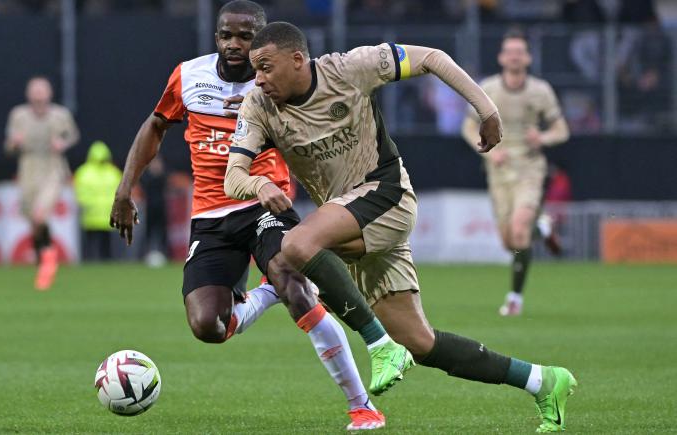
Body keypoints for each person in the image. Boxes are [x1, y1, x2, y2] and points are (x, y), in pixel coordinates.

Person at [225, 22, 577, 433]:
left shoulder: (350, 68)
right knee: (420, 343)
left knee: (296, 246)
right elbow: (234, 176)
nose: (259, 78)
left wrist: (487, 109)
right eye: (256, 69)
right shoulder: (258, 106)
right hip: (346, 216)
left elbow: (431, 58)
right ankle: (542, 380)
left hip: (385, 194)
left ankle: (377, 345)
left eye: (266, 67)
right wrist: (259, 182)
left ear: (298, 59)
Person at [108, 1, 411, 430]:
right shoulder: (188, 76)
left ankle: (362, 405)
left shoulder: (275, 82)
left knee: (298, 291)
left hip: (264, 206)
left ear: (263, 39)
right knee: (208, 326)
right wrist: (124, 190)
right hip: (211, 216)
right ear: (215, 37)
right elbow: (155, 125)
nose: (234, 45)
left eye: (245, 36)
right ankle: (270, 289)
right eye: (225, 35)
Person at [461, 28, 570, 316]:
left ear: (528, 58)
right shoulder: (489, 89)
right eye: (509, 51)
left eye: (519, 51)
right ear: (501, 57)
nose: (514, 57)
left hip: (530, 169)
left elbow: (562, 130)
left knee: (519, 230)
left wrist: (543, 138)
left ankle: (515, 300)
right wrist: (491, 151)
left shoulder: (541, 90)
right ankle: (542, 229)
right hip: (499, 171)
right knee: (510, 241)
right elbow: (469, 126)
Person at [5, 76, 79, 290]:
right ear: (28, 93)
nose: (38, 93)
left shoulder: (60, 115)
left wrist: (62, 143)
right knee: (33, 221)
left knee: (40, 214)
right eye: (34, 90)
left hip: (52, 168)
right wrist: (14, 143)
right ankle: (42, 258)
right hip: (28, 168)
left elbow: (72, 135)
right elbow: (9, 148)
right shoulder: (18, 115)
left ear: (49, 93)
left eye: (42, 89)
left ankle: (48, 260)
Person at [73, 140, 122, 261]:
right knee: (107, 250)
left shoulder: (82, 172)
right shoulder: (114, 173)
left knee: (90, 249)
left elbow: (78, 194)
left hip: (90, 216)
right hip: (108, 217)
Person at [140, 153, 169, 267]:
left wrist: (159, 173)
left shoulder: (163, 175)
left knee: (162, 232)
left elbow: (166, 183)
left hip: (161, 207)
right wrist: (152, 173)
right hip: (149, 208)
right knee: (148, 232)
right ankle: (146, 254)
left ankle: (164, 254)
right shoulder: (147, 175)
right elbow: (144, 184)